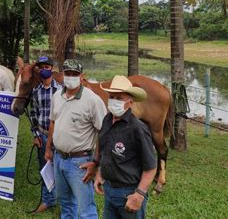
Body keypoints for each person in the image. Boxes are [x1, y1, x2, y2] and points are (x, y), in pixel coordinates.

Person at [45, 59, 107, 219]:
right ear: (63, 75)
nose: (70, 77)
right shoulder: (57, 95)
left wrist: (96, 163)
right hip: (59, 158)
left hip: (80, 162)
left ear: (81, 76)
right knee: (65, 204)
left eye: (75, 74)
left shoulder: (92, 100)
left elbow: (104, 133)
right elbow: (53, 122)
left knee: (85, 209)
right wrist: (48, 148)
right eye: (68, 73)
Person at [94, 75, 157, 219]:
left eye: (119, 98)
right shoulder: (107, 120)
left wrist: (139, 195)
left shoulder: (138, 129)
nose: (114, 101)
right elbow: (104, 149)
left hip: (128, 192)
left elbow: (151, 167)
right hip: (109, 190)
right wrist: (100, 172)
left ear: (130, 102)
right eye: (112, 97)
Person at [29, 56, 62, 214]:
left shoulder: (62, 91)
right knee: (44, 169)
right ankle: (47, 200)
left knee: (62, 170)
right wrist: (35, 135)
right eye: (41, 67)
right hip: (42, 134)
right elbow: (34, 115)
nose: (44, 70)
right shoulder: (36, 92)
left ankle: (65, 202)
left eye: (47, 67)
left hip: (60, 137)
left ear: (52, 69)